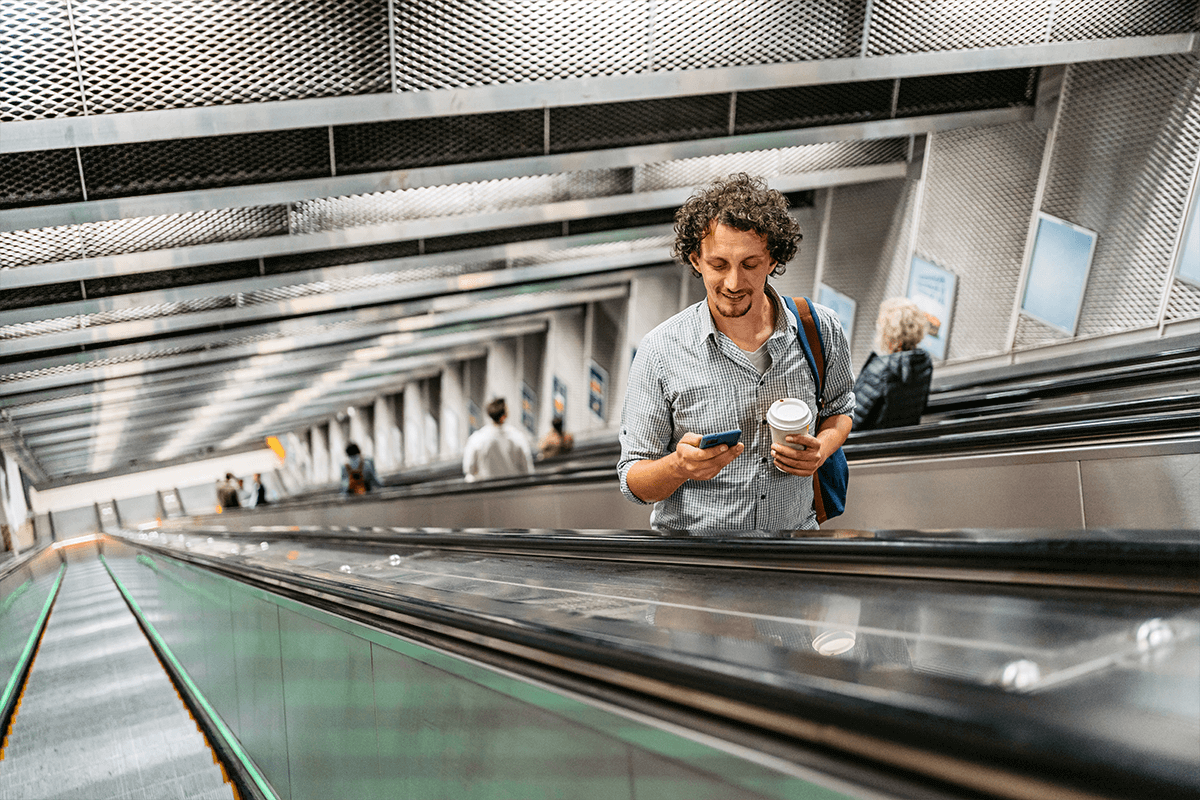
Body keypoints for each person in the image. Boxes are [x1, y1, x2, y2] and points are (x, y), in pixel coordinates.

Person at [617, 173, 854, 532]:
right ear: (696, 260)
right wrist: (679, 467)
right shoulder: (660, 352)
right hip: (699, 558)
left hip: (795, 547)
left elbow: (839, 409)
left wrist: (821, 448)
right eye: (718, 265)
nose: (733, 283)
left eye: (750, 264)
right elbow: (633, 481)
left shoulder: (820, 328)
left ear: (772, 260)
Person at [851, 298, 934, 430]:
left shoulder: (880, 369)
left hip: (867, 439)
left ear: (886, 332)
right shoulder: (923, 362)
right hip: (900, 437)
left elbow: (851, 419)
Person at [462, 398, 535, 482]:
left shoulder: (476, 438)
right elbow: (527, 470)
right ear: (506, 414)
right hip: (513, 488)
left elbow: (468, 468)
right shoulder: (518, 437)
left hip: (486, 488)